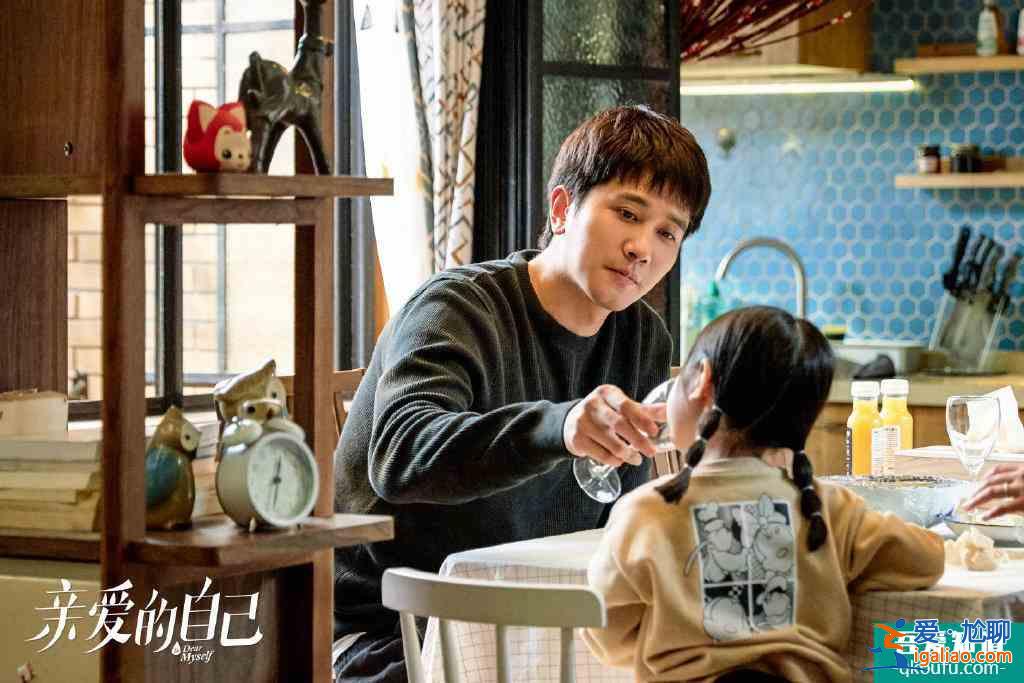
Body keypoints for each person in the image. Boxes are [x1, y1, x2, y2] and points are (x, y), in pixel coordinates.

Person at [332, 105, 713, 681]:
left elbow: (619, 515)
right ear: (562, 209)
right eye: (627, 213)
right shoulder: (457, 308)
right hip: (402, 634)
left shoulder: (640, 336)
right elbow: (399, 456)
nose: (643, 247)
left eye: (668, 232)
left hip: (546, 629)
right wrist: (560, 427)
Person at [582, 306, 946, 683]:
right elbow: (926, 560)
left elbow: (606, 635)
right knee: (972, 661)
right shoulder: (829, 509)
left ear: (701, 380)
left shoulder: (645, 513)